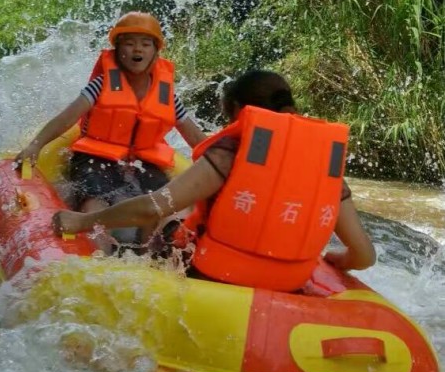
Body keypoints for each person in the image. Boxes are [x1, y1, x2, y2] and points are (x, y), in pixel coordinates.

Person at [53, 70, 375, 289]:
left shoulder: (232, 151)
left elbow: (152, 207)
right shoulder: (325, 162)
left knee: (169, 219)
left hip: (214, 278)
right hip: (287, 286)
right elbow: (364, 256)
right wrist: (334, 260)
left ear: (236, 109)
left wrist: (83, 221)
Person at [15, 12, 207, 239]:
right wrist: (35, 145)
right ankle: (99, 254)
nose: (138, 50)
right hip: (95, 157)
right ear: (117, 50)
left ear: (156, 52)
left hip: (143, 161)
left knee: (166, 202)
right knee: (95, 199)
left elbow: (195, 137)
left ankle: (157, 253)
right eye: (130, 43)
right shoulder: (102, 83)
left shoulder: (167, 95)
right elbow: (67, 117)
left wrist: (226, 163)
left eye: (145, 44)